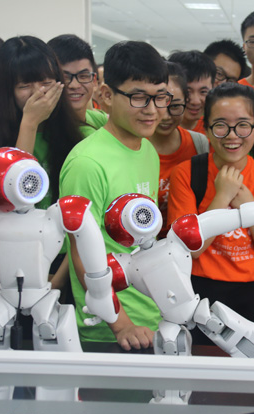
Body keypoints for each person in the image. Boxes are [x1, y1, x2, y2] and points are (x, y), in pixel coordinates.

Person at [59, 41, 169, 349]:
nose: (152, 109)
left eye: (160, 97)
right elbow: (80, 253)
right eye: (138, 97)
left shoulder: (147, 149)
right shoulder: (87, 163)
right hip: (111, 329)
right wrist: (121, 325)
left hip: (152, 314)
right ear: (107, 95)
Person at [167, 83, 254, 347]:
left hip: (253, 293)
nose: (232, 136)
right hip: (199, 294)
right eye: (220, 125)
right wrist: (222, 198)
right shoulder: (187, 174)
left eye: (243, 125)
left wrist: (250, 209)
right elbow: (190, 250)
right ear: (206, 128)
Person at [0, 36, 83, 210]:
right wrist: (30, 123)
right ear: (7, 91)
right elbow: (13, 199)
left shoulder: (75, 132)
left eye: (46, 83)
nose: (38, 93)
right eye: (24, 86)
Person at [149, 62, 209, 238]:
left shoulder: (199, 144)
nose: (166, 116)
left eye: (175, 106)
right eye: (159, 105)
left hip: (187, 242)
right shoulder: (134, 146)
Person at [48, 34, 108, 136]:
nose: (74, 85)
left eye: (83, 76)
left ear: (94, 80)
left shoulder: (101, 120)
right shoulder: (37, 130)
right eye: (65, 77)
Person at [168, 50, 216, 134]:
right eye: (188, 92)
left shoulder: (215, 131)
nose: (195, 101)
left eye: (203, 92)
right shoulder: (150, 130)